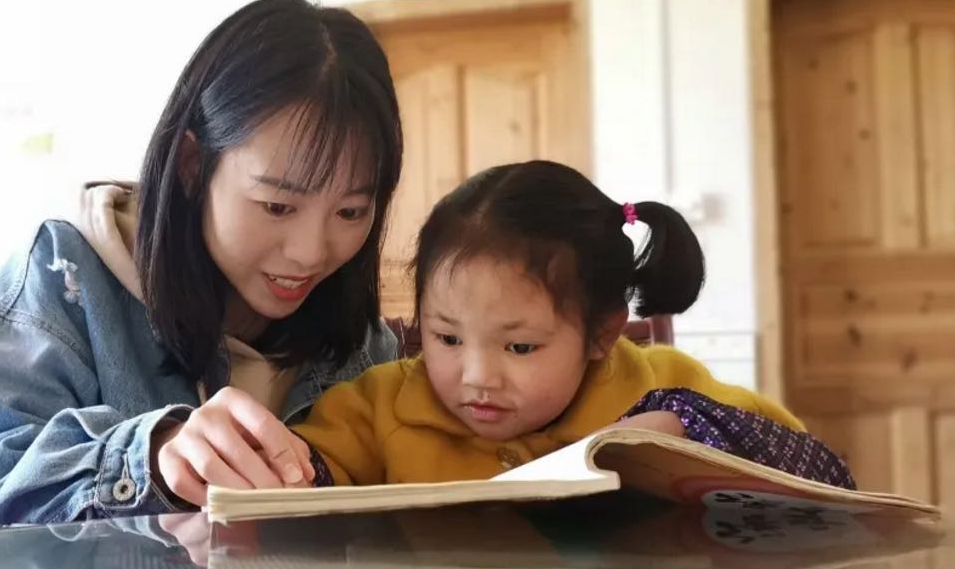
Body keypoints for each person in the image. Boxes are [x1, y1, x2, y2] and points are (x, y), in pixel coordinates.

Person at [0, 0, 404, 526]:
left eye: (351, 211)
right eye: (277, 206)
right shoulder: (66, 278)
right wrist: (150, 459)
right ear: (192, 164)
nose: (311, 252)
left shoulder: (362, 345)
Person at [291, 160, 854, 488]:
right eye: (447, 338)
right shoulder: (382, 404)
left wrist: (689, 427)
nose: (476, 376)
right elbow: (296, 480)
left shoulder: (665, 387)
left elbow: (821, 475)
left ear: (602, 334)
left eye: (519, 346)